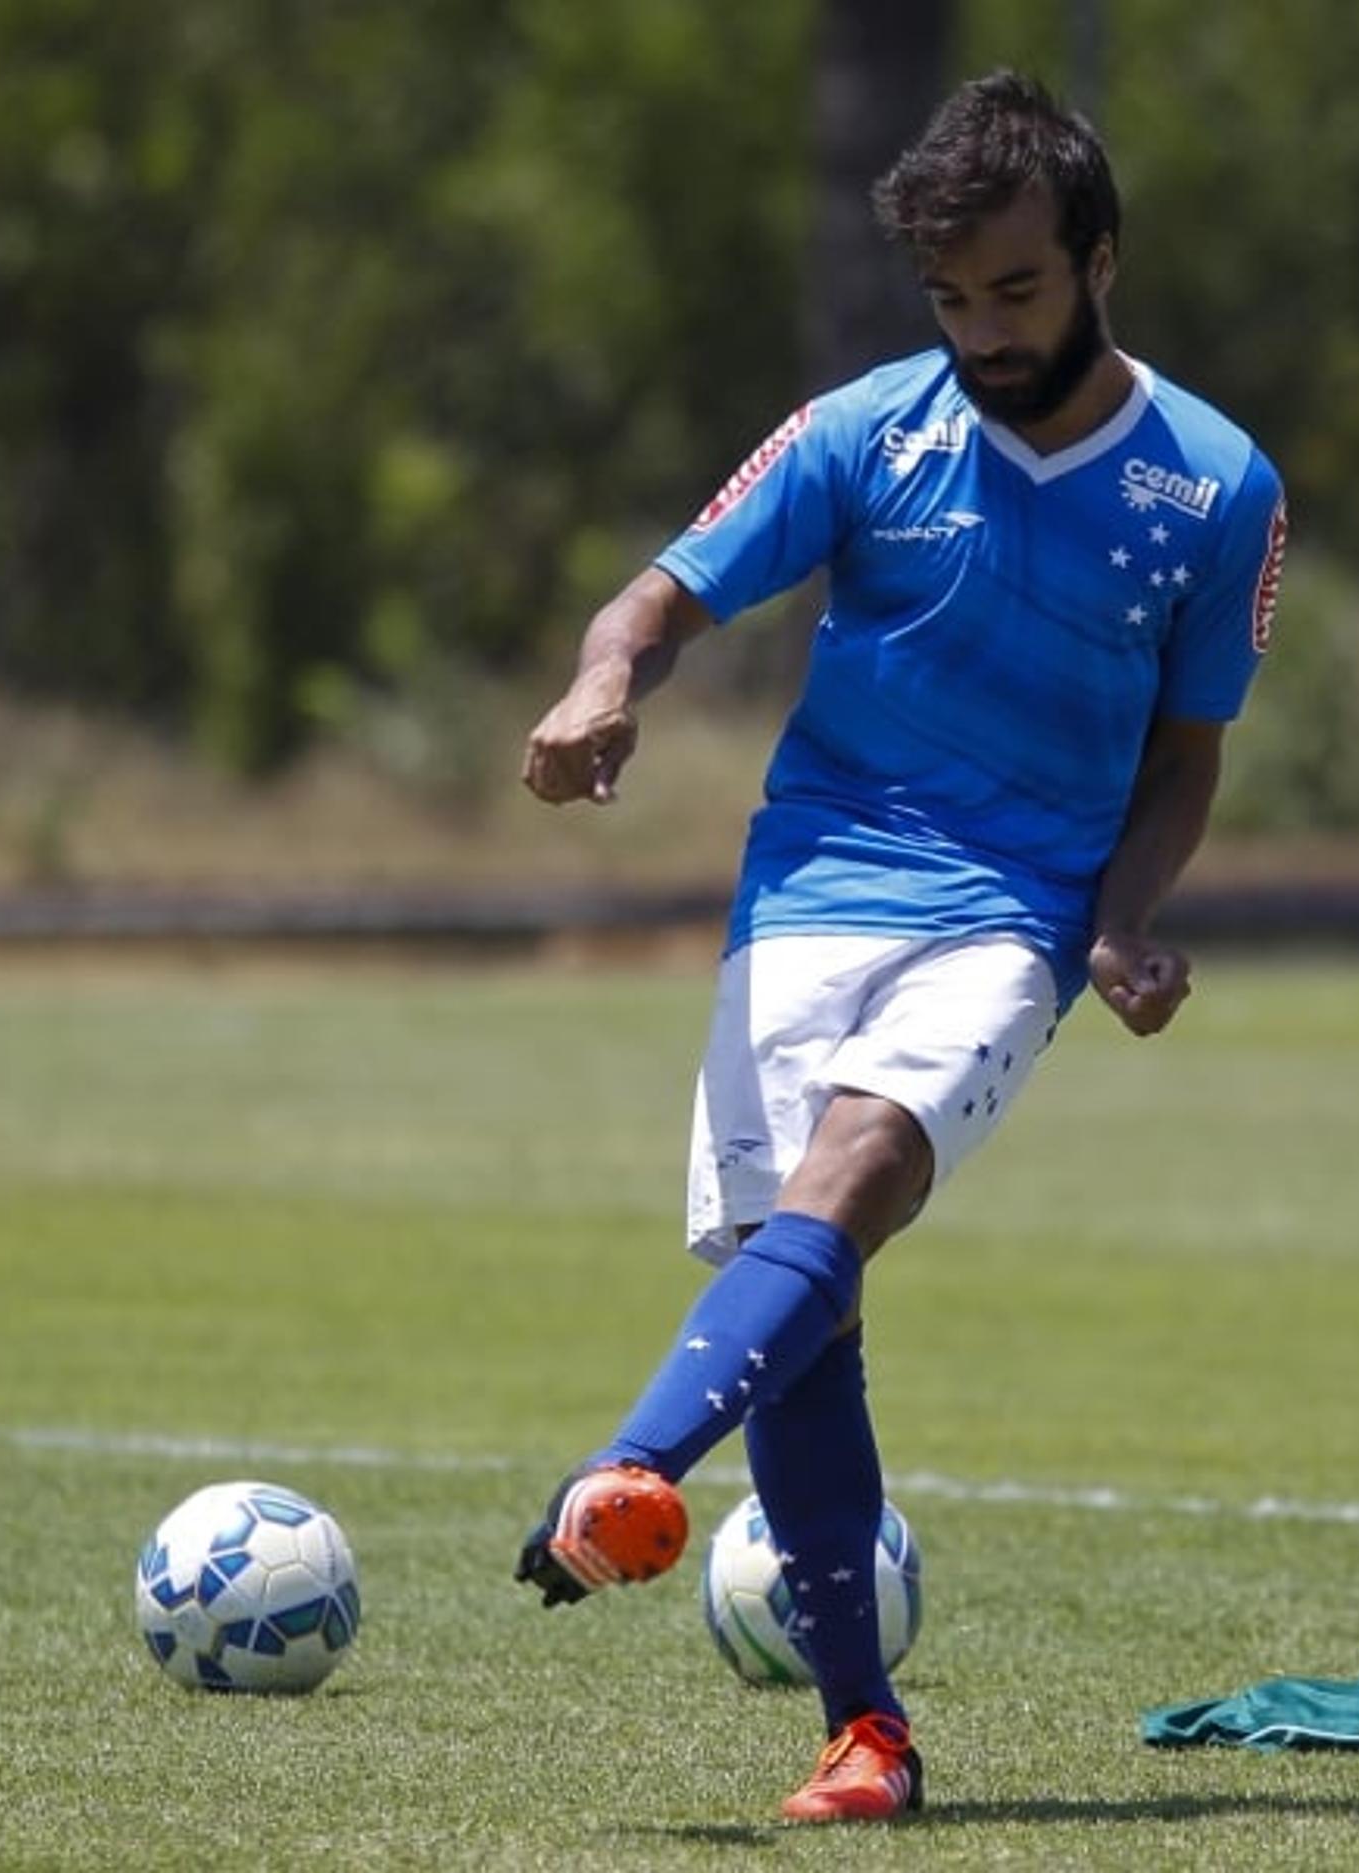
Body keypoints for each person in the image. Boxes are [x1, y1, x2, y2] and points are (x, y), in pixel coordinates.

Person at [511, 69, 1287, 1826]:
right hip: (809, 889)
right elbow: (662, 590)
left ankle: (629, 1467)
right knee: (807, 1294)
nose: (983, 331)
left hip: (1015, 909)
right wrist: (605, 677)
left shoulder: (1220, 484)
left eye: (1015, 290)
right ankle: (868, 1730)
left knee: (857, 1176)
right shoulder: (864, 427)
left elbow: (1185, 755)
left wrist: (1128, 922)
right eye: (950, 298)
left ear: (1099, 258)